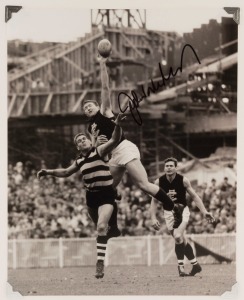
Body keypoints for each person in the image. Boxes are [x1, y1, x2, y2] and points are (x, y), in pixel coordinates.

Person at [82, 54, 184, 228]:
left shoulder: (104, 111)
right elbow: (96, 149)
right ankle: (114, 195)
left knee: (144, 185)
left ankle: (174, 207)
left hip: (124, 149)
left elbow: (105, 87)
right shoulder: (91, 128)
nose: (87, 107)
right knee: (104, 189)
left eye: (90, 105)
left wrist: (102, 64)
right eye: (84, 108)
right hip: (114, 156)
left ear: (98, 106)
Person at [37, 114, 125, 279]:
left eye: (83, 139)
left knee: (101, 227)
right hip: (91, 197)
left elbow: (114, 140)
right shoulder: (79, 162)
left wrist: (118, 125)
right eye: (78, 141)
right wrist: (47, 172)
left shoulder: (99, 151)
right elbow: (65, 172)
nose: (82, 141)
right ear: (77, 147)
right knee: (101, 230)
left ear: (90, 141)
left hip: (106, 194)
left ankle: (100, 263)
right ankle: (113, 227)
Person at [150, 157, 215, 277]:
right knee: (181, 240)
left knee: (178, 236)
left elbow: (195, 196)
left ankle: (180, 267)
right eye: (167, 166)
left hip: (182, 211)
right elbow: (154, 201)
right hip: (168, 213)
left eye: (171, 166)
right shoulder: (159, 182)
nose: (168, 168)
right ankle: (195, 265)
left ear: (176, 167)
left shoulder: (183, 180)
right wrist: (153, 217)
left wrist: (204, 211)